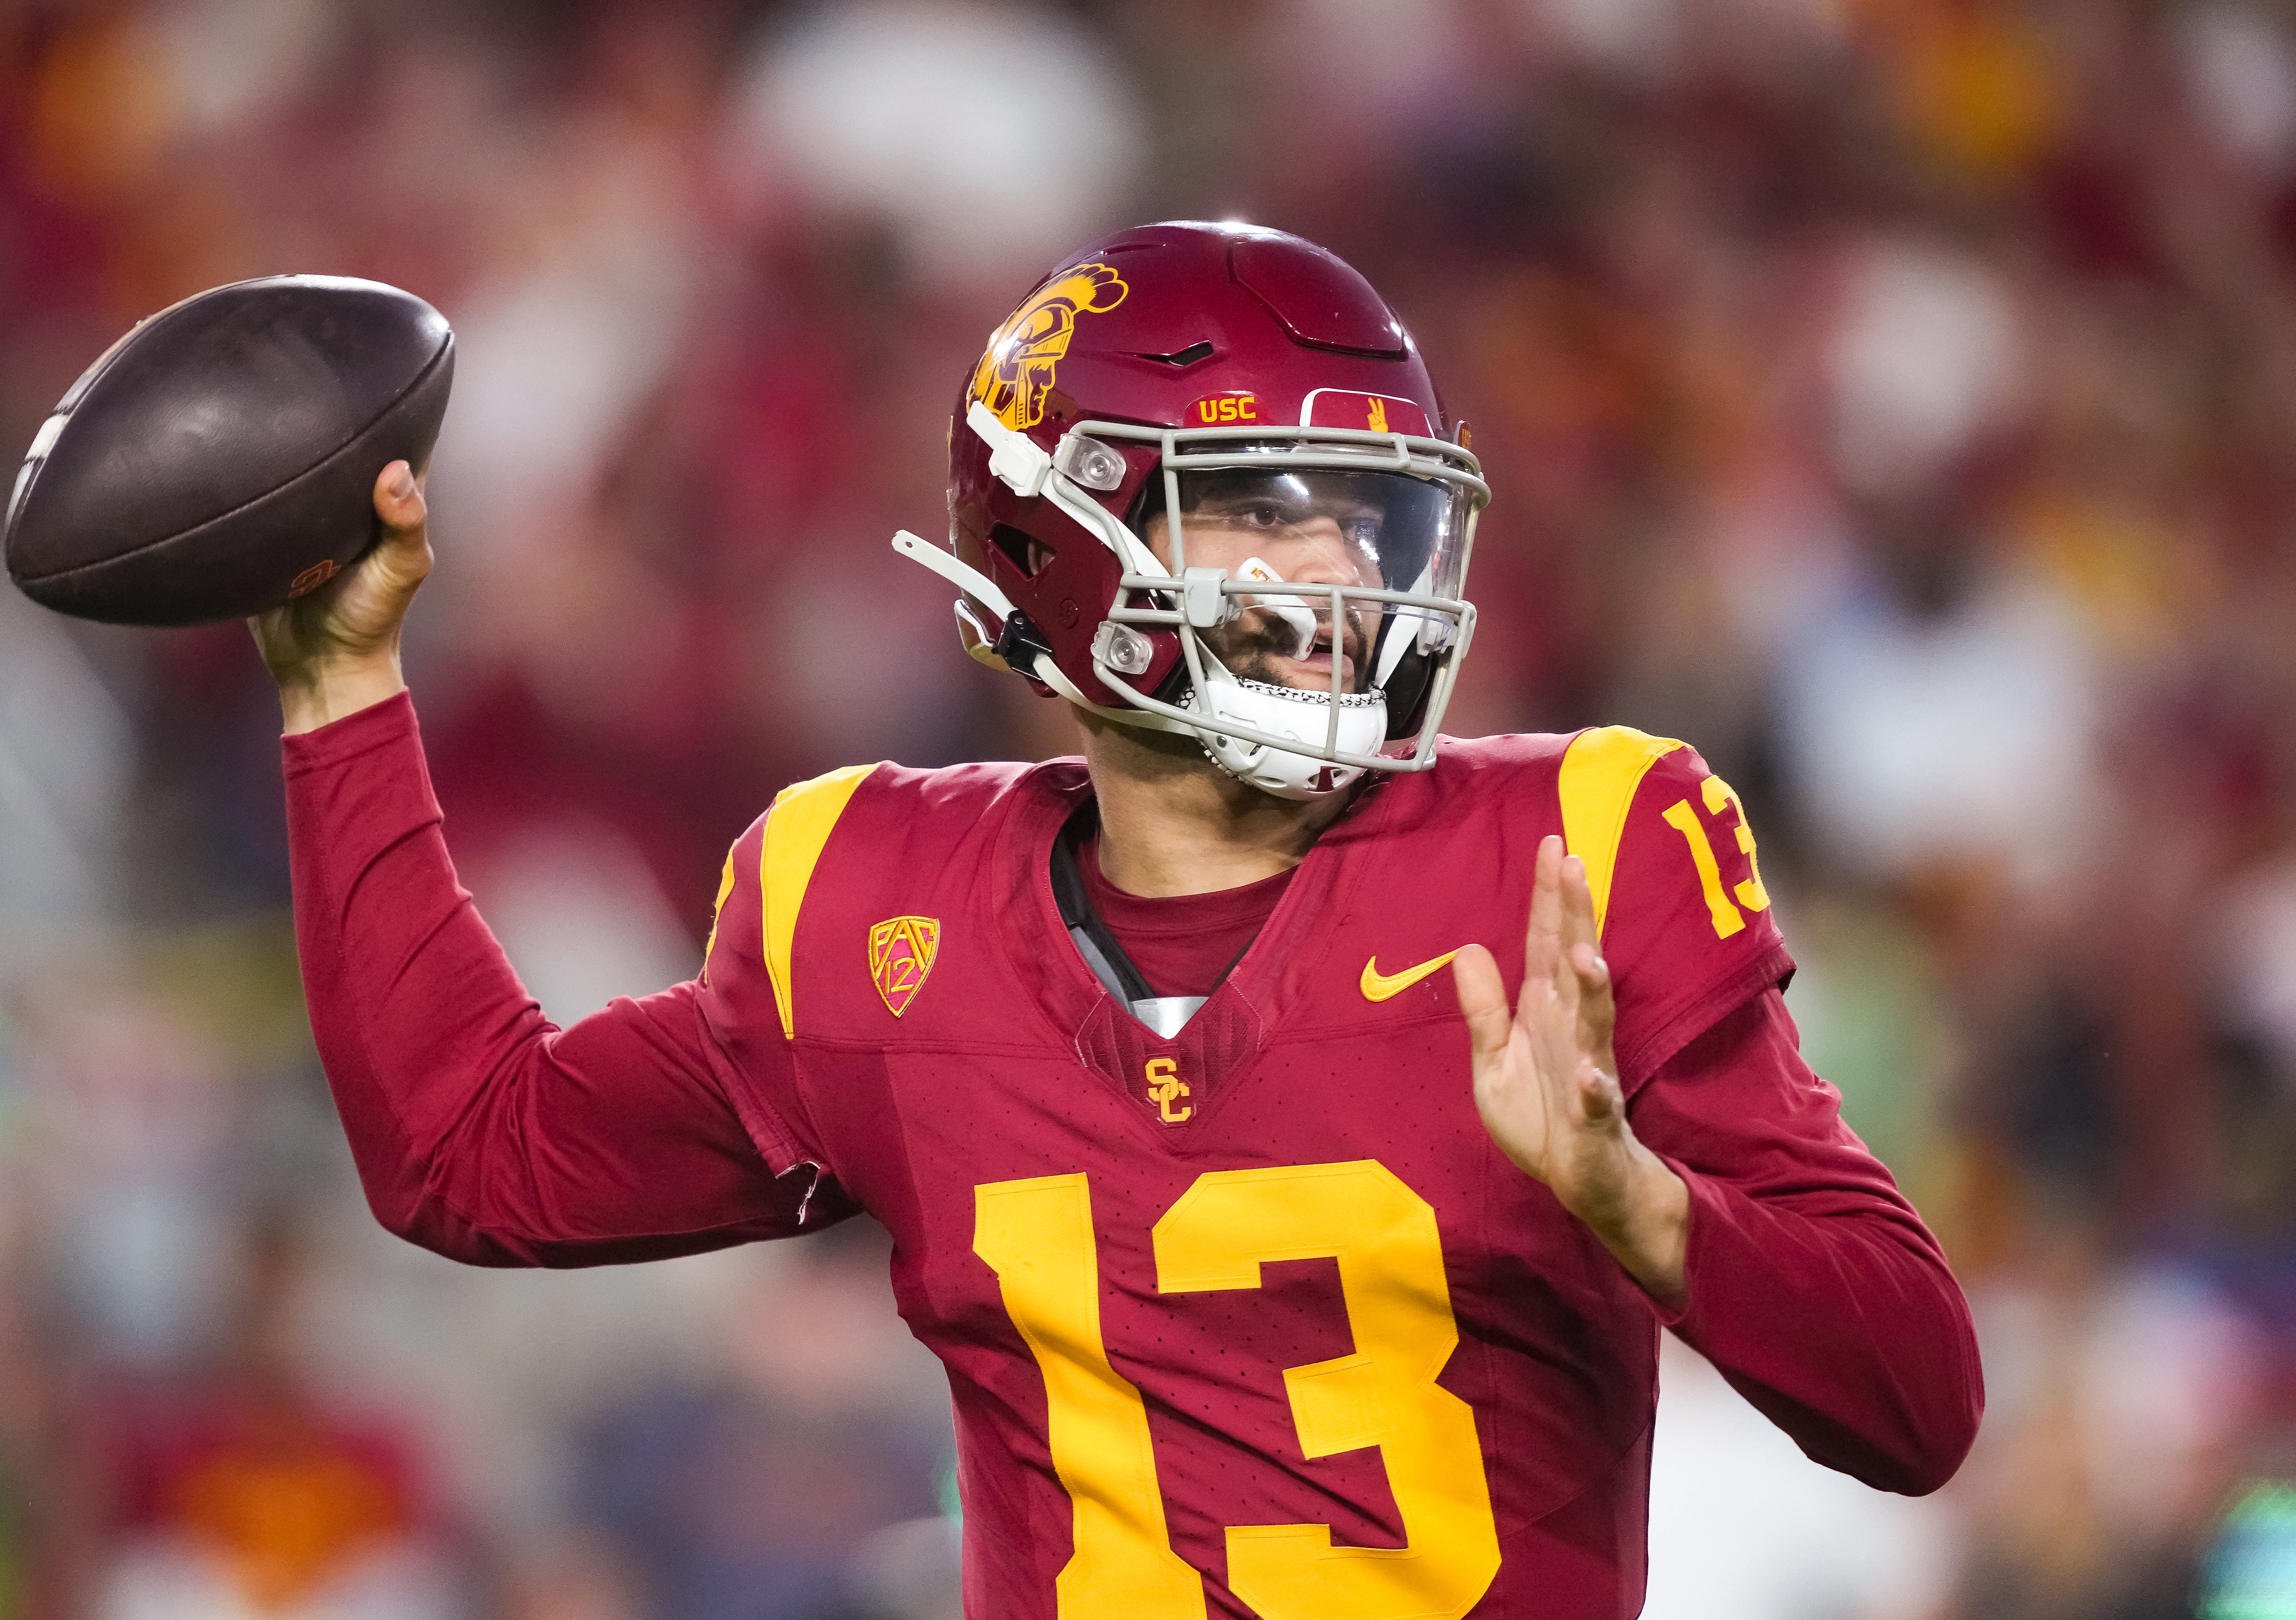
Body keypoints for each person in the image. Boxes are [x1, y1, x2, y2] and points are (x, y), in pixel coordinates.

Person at [255, 221, 1981, 1619]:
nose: (1337, 577)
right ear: (1056, 531)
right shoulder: (871, 911)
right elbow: (471, 1156)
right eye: (1262, 513)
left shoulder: (1571, 860)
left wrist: (1645, 1207)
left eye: (1369, 520)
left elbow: (1916, 1404)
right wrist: (342, 692)